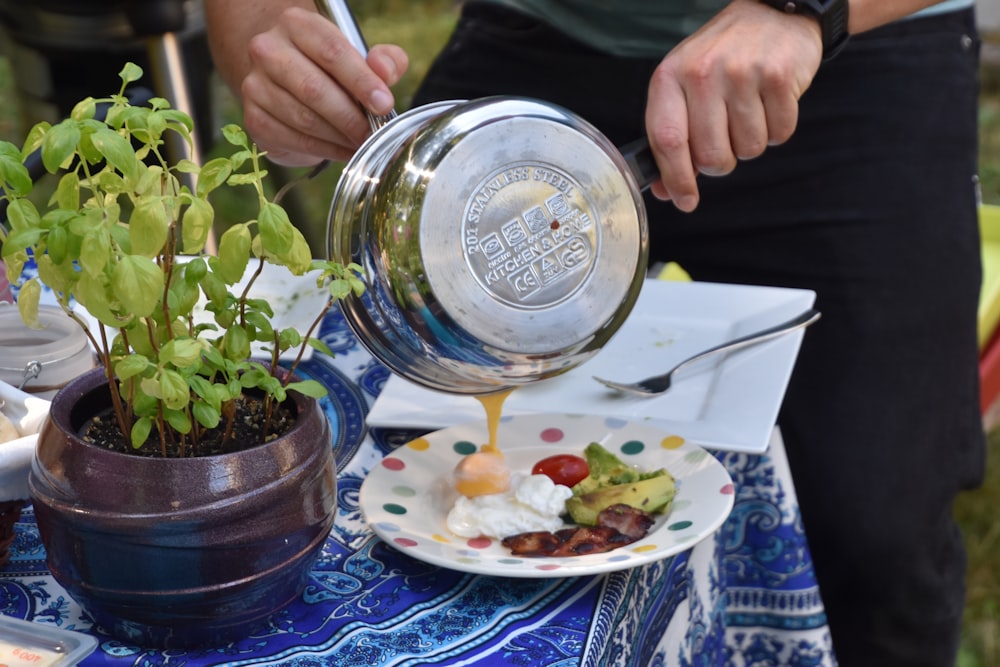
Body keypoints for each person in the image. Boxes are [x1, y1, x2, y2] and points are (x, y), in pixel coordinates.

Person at [203, 0, 985, 664]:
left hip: (843, 60)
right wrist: (279, 49)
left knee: (871, 530)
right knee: (389, 488)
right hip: (536, 45)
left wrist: (805, 10)